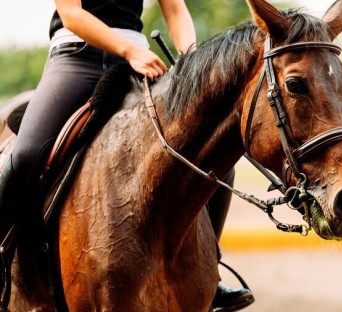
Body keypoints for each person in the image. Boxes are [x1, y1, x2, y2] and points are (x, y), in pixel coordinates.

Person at [0, 0, 253, 310]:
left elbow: (175, 11)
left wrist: (192, 64)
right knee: (27, 154)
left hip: (138, 63)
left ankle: (209, 274)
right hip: (78, 60)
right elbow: (72, 15)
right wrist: (129, 50)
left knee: (215, 162)